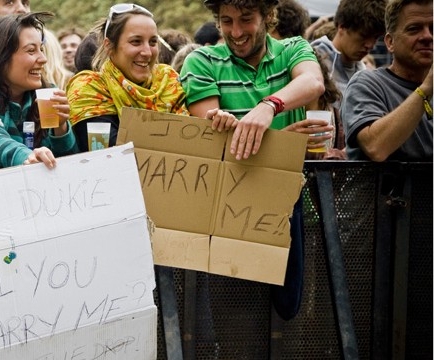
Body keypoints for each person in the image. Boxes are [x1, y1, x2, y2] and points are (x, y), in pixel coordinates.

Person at [180, 0, 325, 321]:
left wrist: (268, 106)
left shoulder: (292, 49)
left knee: (292, 314)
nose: (236, 31)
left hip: (290, 206)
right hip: (231, 213)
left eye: (246, 20)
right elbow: (219, 145)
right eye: (226, 21)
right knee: (235, 319)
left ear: (267, 16)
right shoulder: (202, 60)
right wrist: (283, 138)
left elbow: (313, 82)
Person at [0, 12, 77, 168]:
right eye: (31, 51)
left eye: (41, 49)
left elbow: (71, 165)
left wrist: (60, 129)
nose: (43, 59)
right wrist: (27, 157)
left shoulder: (46, 95)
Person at [67, 4, 189, 152]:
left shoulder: (169, 80)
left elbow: (191, 144)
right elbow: (111, 155)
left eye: (152, 42)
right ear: (109, 46)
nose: (147, 52)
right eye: (136, 42)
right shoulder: (88, 88)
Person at [342, 0, 432, 162]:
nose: (427, 36)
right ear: (390, 42)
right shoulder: (367, 84)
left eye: (433, 29)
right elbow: (375, 147)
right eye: (414, 29)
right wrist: (425, 89)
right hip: (379, 188)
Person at [311, 0, 386, 99]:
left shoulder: (365, 73)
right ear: (342, 27)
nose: (370, 45)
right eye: (364, 36)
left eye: (376, 37)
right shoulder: (312, 62)